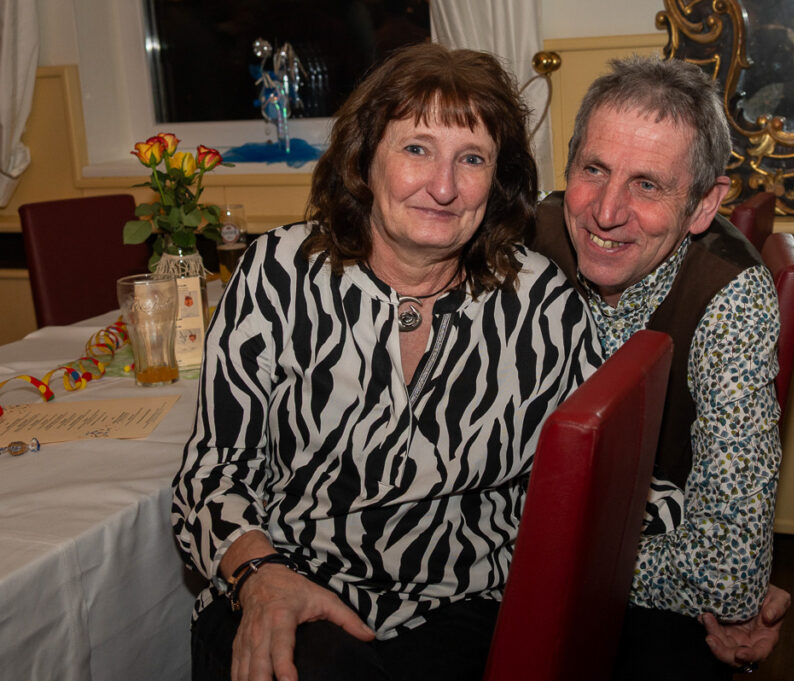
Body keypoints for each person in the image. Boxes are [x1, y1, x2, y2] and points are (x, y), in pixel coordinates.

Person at [171, 43, 606, 681]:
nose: (443, 187)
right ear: (364, 160)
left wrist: (717, 566)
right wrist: (260, 576)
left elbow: (600, 479)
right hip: (289, 578)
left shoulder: (541, 302)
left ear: (499, 180)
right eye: (417, 149)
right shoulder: (278, 274)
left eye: (472, 158)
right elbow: (211, 476)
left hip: (465, 605)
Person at [531, 56, 789, 678]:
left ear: (702, 206)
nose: (606, 211)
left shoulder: (730, 295)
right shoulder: (521, 246)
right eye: (593, 170)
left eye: (647, 185)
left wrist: (529, 558)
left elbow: (728, 576)